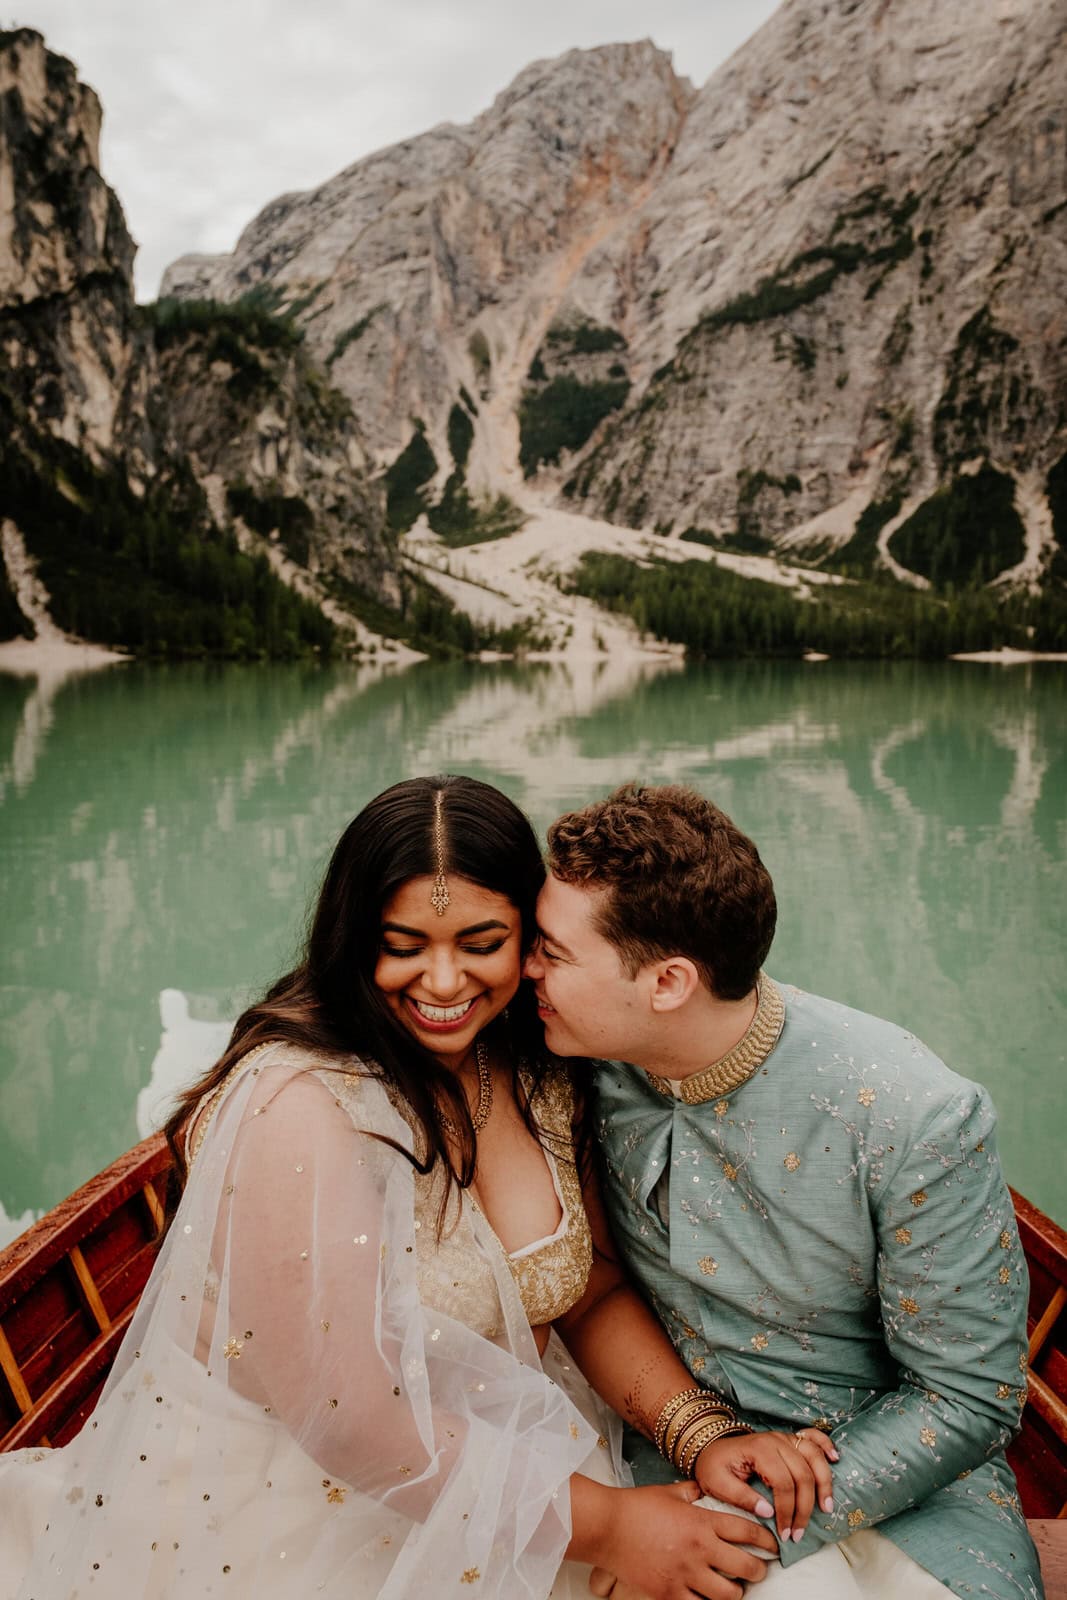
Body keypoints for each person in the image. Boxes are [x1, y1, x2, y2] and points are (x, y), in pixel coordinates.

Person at [0, 774, 838, 1600]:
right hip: (313, 1510)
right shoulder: (302, 1105)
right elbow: (349, 1420)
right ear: (354, 937)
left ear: (531, 937)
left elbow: (584, 1291)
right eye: (405, 946)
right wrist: (617, 1528)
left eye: (481, 944)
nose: (443, 983)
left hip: (528, 1467)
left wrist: (699, 1433)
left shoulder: (538, 1067)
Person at [526, 781, 1045, 1600]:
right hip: (677, 1452)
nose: (527, 968)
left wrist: (755, 1518)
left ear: (667, 984)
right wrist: (699, 1462)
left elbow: (968, 1397)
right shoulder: (581, 1061)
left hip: (914, 1491)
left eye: (551, 953)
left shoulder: (916, 1115)